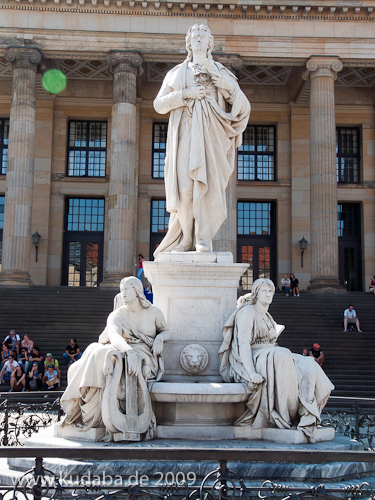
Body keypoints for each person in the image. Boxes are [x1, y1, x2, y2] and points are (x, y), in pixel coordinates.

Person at [153, 24, 250, 255]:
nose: (198, 39)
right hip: (185, 133)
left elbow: (242, 105)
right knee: (185, 189)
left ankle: (203, 239)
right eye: (194, 36)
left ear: (209, 43)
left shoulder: (221, 72)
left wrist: (222, 83)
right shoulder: (176, 73)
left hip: (211, 137)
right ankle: (186, 239)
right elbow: (158, 104)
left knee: (206, 190)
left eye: (202, 36)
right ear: (188, 43)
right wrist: (185, 95)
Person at [219, 278, 334, 442]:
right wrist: (251, 372)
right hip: (252, 357)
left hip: (271, 353)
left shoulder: (267, 316)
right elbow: (243, 344)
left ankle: (306, 413)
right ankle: (282, 415)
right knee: (282, 354)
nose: (268, 294)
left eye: (270, 291)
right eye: (264, 291)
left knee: (308, 363)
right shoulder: (247, 312)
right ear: (256, 293)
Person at [61, 277, 170, 441]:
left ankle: (100, 417)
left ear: (137, 290)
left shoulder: (154, 312)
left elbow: (165, 331)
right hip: (124, 349)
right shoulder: (117, 315)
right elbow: (113, 336)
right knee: (95, 352)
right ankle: (90, 415)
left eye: (127, 289)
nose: (123, 293)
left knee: (104, 355)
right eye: (122, 290)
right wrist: (129, 351)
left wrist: (160, 339)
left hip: (146, 356)